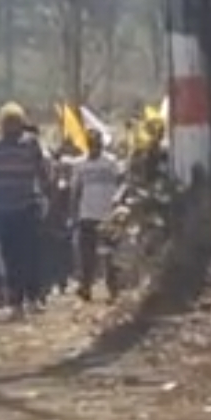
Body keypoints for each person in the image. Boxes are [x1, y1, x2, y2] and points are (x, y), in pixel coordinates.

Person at [0, 102, 53, 312]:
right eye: (8, 123)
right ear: (2, 125)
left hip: (28, 206)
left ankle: (34, 297)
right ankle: (16, 300)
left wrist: (46, 197)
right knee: (10, 256)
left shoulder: (31, 144)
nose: (13, 128)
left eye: (16, 123)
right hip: (4, 209)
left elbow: (42, 173)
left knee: (30, 254)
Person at [66, 127, 123, 299]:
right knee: (87, 255)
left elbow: (121, 185)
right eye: (91, 144)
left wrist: (119, 209)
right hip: (87, 214)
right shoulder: (80, 165)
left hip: (108, 215)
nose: (94, 147)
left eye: (96, 144)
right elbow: (75, 191)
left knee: (110, 255)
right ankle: (86, 286)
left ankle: (113, 288)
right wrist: (73, 214)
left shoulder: (111, 163)